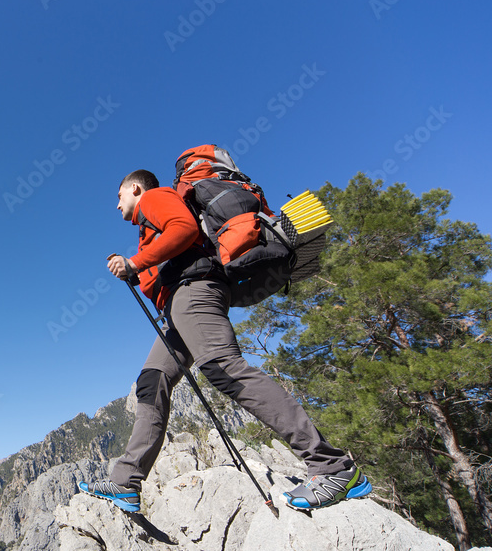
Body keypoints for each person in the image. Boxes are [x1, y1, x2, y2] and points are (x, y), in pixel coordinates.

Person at [78, 168, 372, 512]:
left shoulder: (155, 199)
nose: (117, 206)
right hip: (179, 311)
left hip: (194, 293)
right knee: (151, 381)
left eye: (119, 197)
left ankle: (332, 467)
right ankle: (125, 480)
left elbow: (184, 229)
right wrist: (141, 269)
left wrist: (135, 261)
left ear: (136, 189)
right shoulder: (147, 225)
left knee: (224, 368)